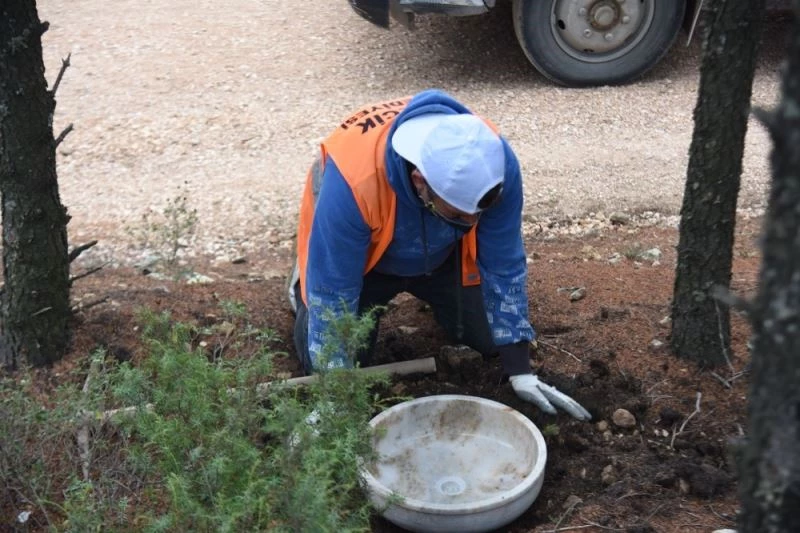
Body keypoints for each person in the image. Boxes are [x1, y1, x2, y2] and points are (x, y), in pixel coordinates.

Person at [288, 88, 590, 421]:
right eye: (460, 215)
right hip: (363, 261)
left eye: (476, 214)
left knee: (491, 341)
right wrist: (334, 394)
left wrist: (521, 370)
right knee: (343, 357)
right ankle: (303, 272)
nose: (473, 223)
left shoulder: (494, 163)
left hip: (441, 255)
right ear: (419, 181)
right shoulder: (356, 184)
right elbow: (333, 293)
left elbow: (503, 263)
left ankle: (430, 274)